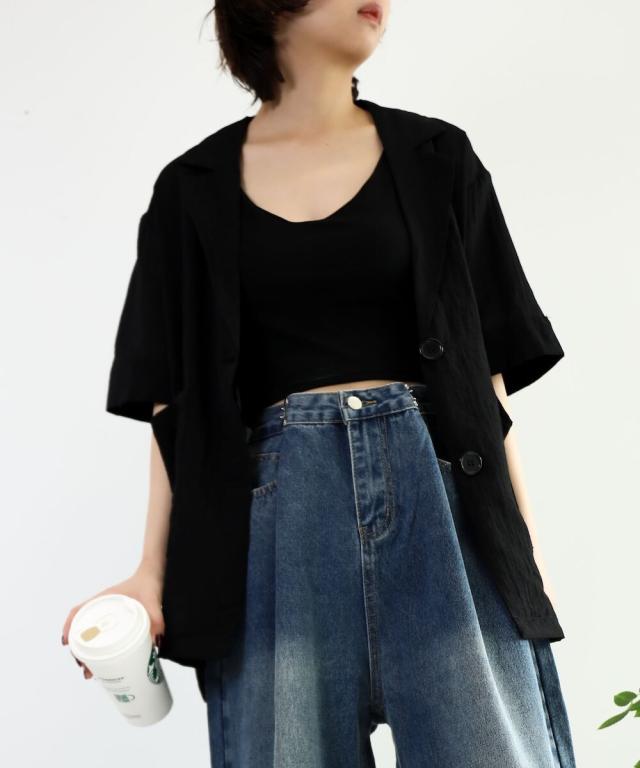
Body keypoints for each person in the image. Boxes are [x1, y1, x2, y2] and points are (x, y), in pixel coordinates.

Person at [63, 1, 577, 765]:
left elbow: (487, 377)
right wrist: (151, 570)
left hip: (445, 519)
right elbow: (176, 405)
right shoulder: (191, 190)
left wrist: (522, 550)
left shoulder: (439, 156)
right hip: (274, 540)